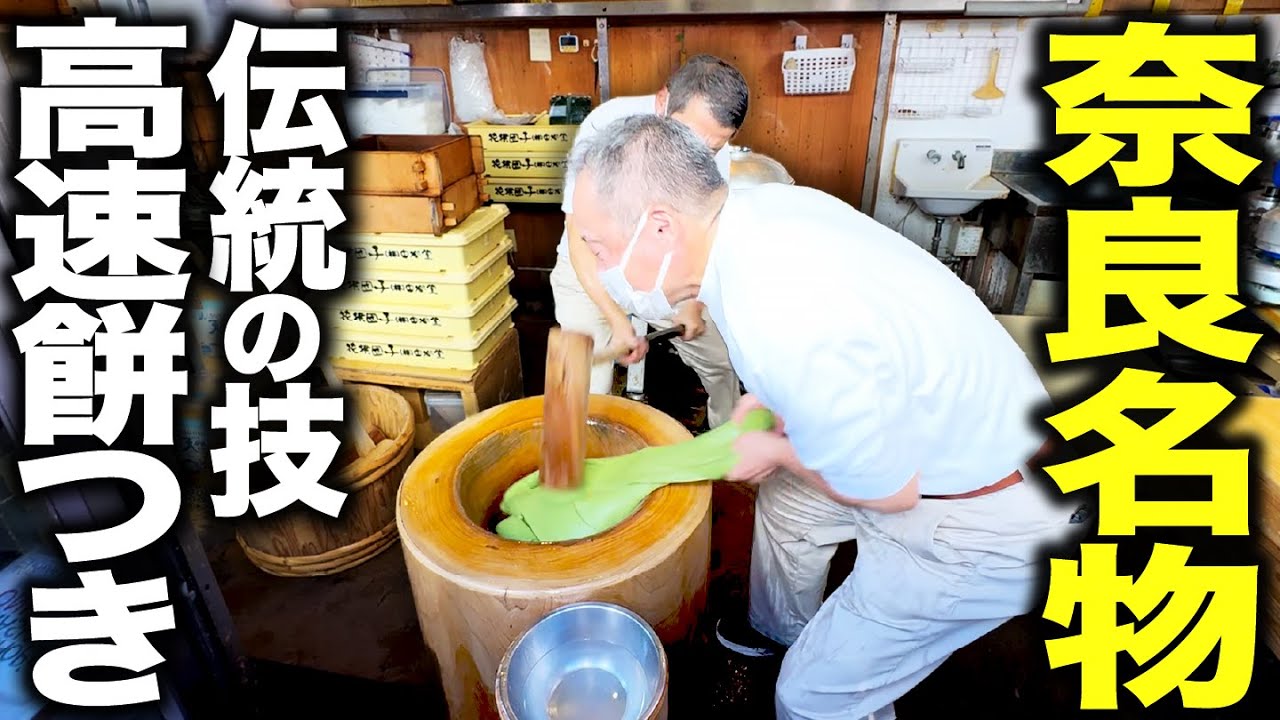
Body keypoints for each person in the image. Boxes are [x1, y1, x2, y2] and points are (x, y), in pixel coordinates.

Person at [565, 115, 1082, 720]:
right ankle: (783, 632)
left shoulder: (782, 312)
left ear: (658, 225)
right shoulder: (759, 213)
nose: (600, 270)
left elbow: (890, 493)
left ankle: (839, 681)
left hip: (980, 516)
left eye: (599, 250)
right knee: (790, 504)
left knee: (812, 698)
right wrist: (777, 423)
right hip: (954, 430)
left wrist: (778, 451)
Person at [551, 54, 746, 428]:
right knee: (585, 385)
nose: (699, 154)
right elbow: (580, 242)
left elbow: (700, 244)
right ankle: (578, 466)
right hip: (590, 265)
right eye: (688, 134)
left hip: (662, 270)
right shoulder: (607, 127)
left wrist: (693, 302)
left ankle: (731, 451)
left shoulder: (712, 158)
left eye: (714, 147)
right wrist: (617, 320)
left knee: (722, 362)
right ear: (663, 101)